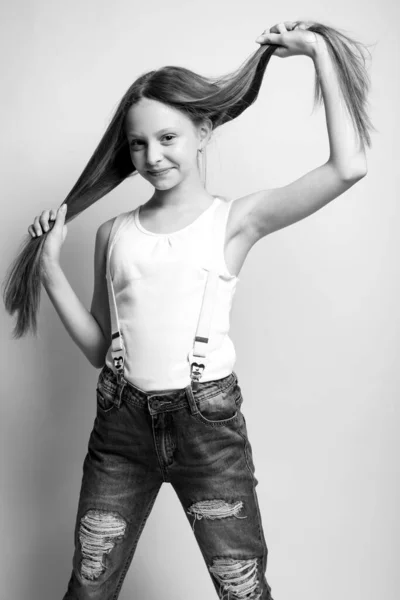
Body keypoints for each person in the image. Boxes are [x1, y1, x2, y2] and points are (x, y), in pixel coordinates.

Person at [3, 19, 373, 600]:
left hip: (208, 432)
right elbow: (102, 348)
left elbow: (348, 167)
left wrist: (320, 54)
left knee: (242, 589)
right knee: (89, 587)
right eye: (138, 143)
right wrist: (50, 271)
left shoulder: (235, 222)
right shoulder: (111, 233)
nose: (152, 155)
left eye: (167, 138)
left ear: (204, 131)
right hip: (120, 431)